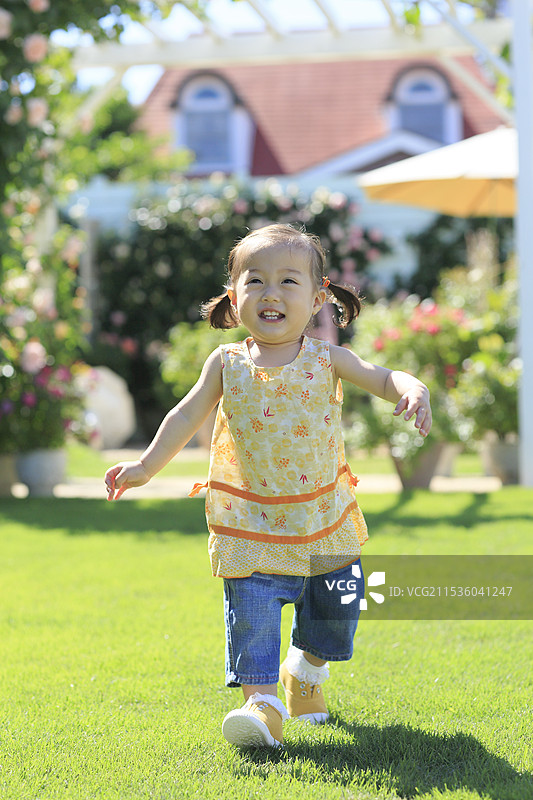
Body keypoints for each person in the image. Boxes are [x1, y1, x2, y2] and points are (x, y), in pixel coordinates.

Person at [105, 223, 432, 749]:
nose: (271, 293)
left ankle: (304, 672)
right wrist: (145, 468)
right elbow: (185, 415)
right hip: (251, 526)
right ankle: (261, 706)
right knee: (252, 621)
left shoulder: (327, 360)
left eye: (288, 281)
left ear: (318, 298)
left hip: (324, 526)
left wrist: (411, 386)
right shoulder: (226, 363)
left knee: (337, 615)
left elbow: (380, 376)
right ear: (234, 299)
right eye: (255, 281)